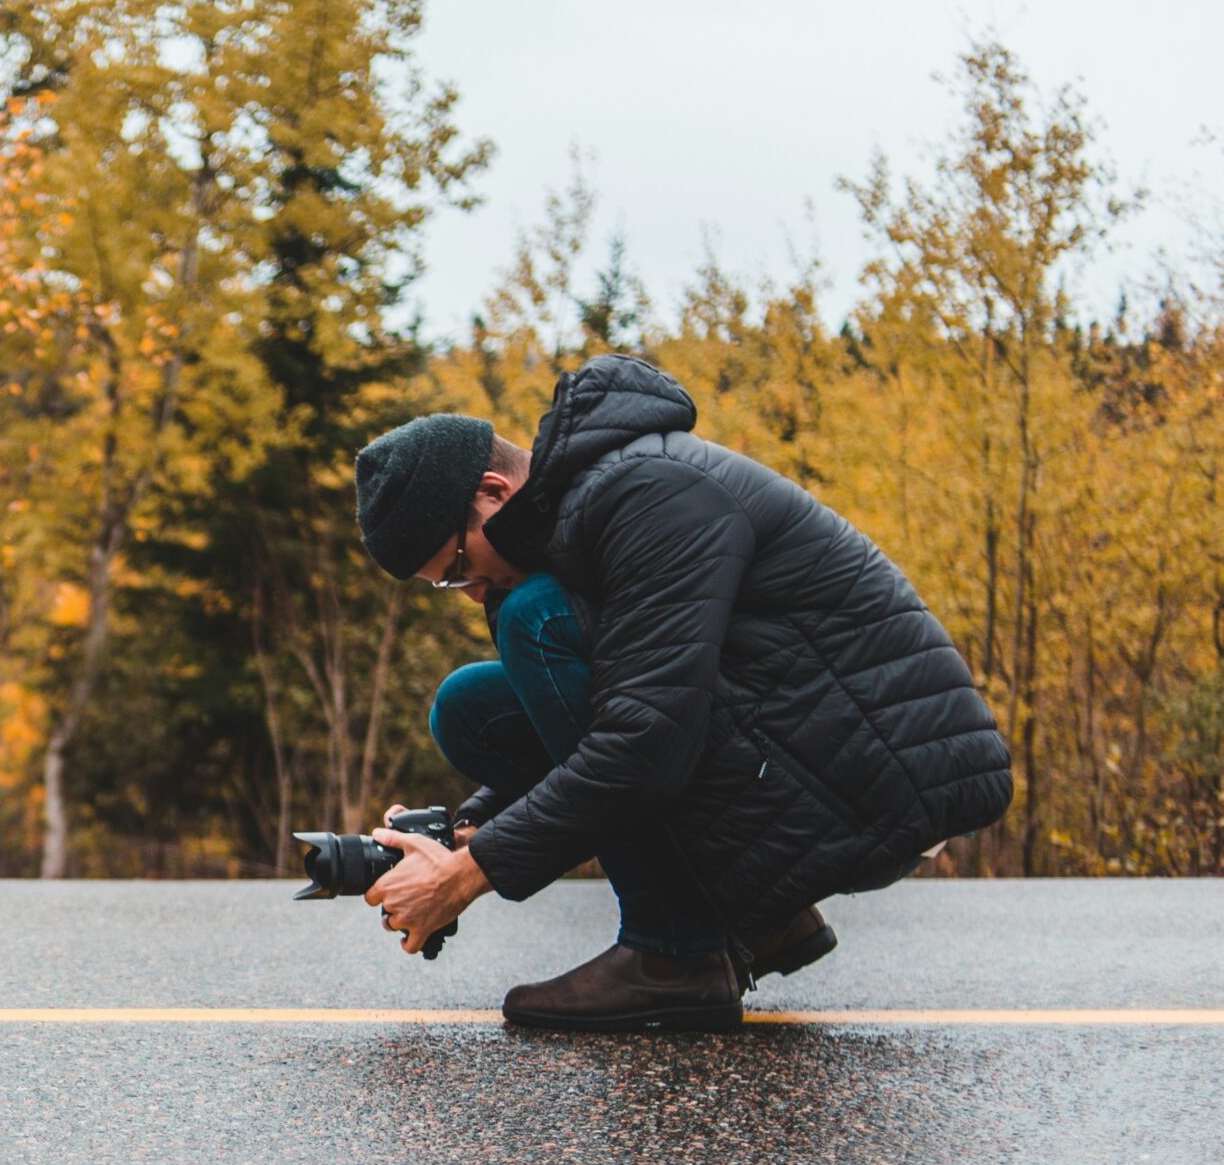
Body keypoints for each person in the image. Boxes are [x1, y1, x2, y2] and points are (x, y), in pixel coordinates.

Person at [347, 354, 1011, 1030]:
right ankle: (762, 921)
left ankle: (675, 952)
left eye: (458, 569)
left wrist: (462, 879)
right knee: (470, 708)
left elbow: (646, 742)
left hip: (884, 776)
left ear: (493, 492)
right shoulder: (587, 509)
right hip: (804, 749)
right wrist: (468, 833)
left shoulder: (647, 491)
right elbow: (622, 701)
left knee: (533, 619)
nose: (471, 593)